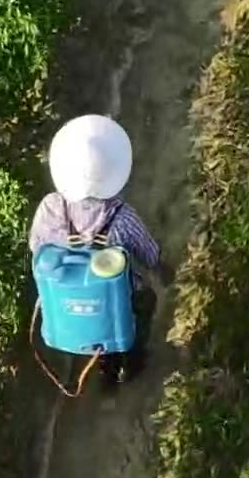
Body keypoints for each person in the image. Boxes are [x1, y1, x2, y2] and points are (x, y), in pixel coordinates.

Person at [30, 113, 158, 389]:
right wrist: (168, 273)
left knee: (96, 324)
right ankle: (130, 359)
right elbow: (151, 255)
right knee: (147, 300)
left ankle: (102, 366)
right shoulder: (123, 218)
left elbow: (37, 249)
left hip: (69, 308)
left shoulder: (50, 208)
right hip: (116, 302)